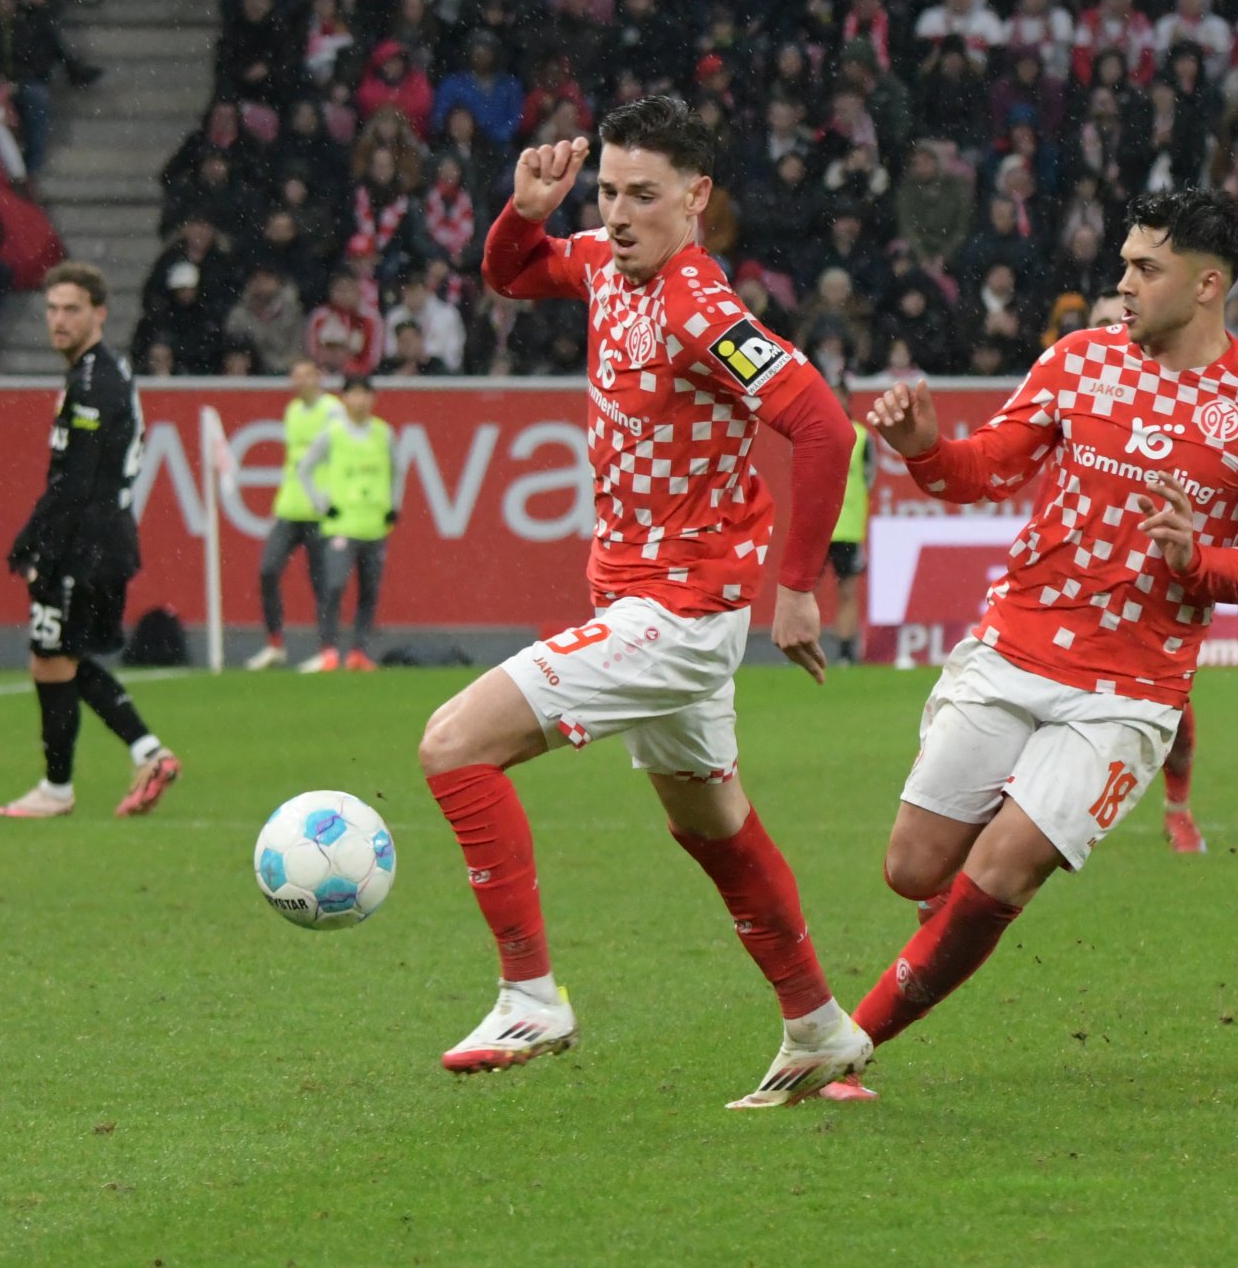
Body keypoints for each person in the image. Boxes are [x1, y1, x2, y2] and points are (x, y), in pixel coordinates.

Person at [415, 97, 870, 1107]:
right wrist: (525, 213)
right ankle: (819, 1028)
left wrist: (796, 588)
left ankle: (531, 994)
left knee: (453, 745)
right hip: (651, 603)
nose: (617, 214)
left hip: (676, 614)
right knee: (714, 829)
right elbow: (512, 273)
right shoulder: (601, 263)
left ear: (696, 198)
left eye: (643, 196)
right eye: (609, 190)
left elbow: (825, 428)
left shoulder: (698, 307)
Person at [834, 190, 1238, 1084]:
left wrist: (1199, 561)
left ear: (1208, 285)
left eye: (1145, 268)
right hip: (1014, 646)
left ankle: (846, 1045)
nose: (1123, 283)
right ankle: (945, 919)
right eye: (1125, 264)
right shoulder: (1078, 360)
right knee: (911, 867)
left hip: (1129, 691)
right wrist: (927, 447)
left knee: (1002, 875)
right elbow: (983, 470)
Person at [0, 262, 182, 819]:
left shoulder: (94, 383)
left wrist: (36, 547)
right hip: (100, 540)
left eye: (71, 309)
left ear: (99, 312)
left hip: (87, 543)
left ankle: (58, 788)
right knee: (62, 658)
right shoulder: (99, 373)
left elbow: (76, 483)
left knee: (51, 658)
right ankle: (149, 752)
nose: (59, 320)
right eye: (52, 308)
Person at [1088, 287, 1207, 854]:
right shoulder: (1076, 390)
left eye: (1123, 320)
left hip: (1149, 581)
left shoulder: (1179, 399)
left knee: (1172, 714)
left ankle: (1177, 810)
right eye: (1102, 324)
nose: (1117, 332)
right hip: (1079, 577)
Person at [246, 359, 342, 670]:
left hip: (319, 511)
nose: (297, 382)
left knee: (322, 583)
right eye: (294, 376)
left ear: (319, 377)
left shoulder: (332, 411)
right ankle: (275, 644)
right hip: (288, 507)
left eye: (304, 376)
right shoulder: (292, 411)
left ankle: (328, 650)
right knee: (267, 570)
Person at [296, 374, 395, 673]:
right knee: (334, 586)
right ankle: (328, 650)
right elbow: (305, 468)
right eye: (354, 394)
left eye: (366, 394)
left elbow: (398, 470)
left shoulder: (384, 433)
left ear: (372, 399)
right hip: (341, 526)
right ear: (344, 399)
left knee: (369, 591)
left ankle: (358, 652)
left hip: (374, 525)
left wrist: (394, 506)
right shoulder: (333, 433)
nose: (360, 400)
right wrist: (321, 503)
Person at [826, 377, 875, 665]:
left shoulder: (861, 436)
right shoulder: (812, 430)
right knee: (803, 589)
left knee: (847, 590)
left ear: (846, 399)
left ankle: (845, 654)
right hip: (817, 527)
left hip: (846, 527)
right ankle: (806, 647)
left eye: (837, 396)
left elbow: (869, 477)